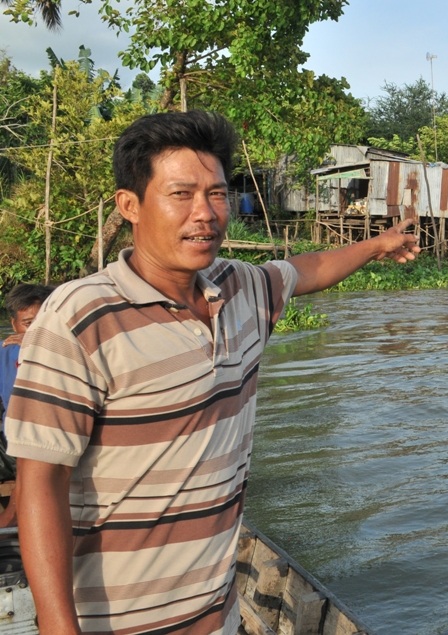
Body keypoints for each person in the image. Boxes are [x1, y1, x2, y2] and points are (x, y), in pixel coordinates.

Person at [4, 110, 420, 634]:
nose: (205, 213)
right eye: (181, 195)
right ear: (129, 205)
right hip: (112, 622)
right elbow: (40, 482)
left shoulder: (241, 288)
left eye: (217, 194)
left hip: (215, 616)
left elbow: (305, 271)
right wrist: (58, 628)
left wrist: (379, 245)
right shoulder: (78, 317)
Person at [0, 283, 54, 526]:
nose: (35, 332)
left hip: (49, 440)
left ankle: (13, 513)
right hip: (10, 441)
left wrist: (39, 344)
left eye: (44, 324)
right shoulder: (5, 353)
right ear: (14, 326)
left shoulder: (68, 352)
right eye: (29, 325)